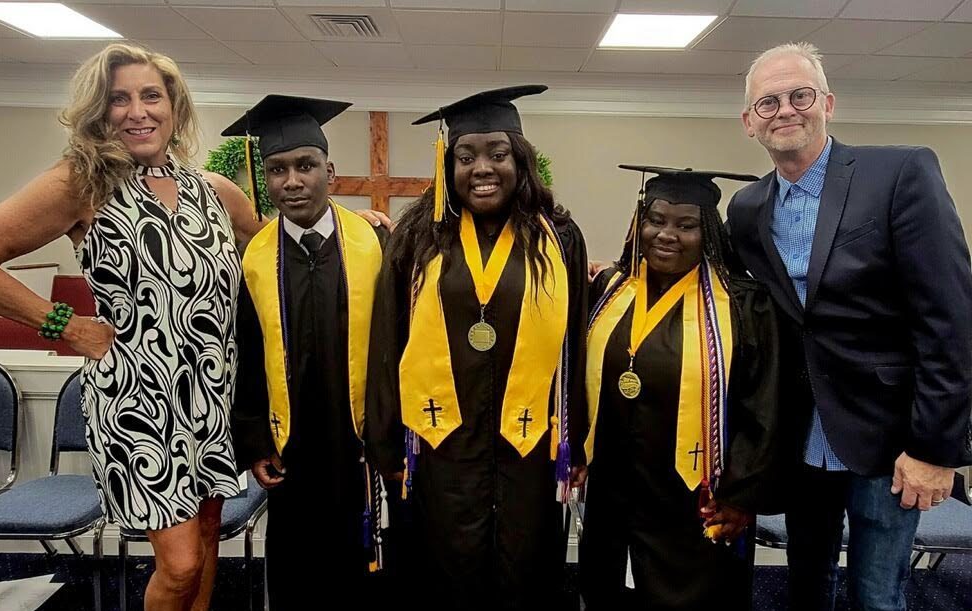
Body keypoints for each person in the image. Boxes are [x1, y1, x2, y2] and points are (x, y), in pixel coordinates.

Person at [0, 43, 266, 611]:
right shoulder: (81, 184)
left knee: (208, 541)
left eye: (151, 95)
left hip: (214, 395)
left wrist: (352, 225)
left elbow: (274, 252)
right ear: (100, 111)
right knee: (180, 562)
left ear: (175, 106)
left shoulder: (214, 192)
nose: (137, 111)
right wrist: (65, 325)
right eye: (119, 99)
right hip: (139, 402)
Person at [727, 41, 972, 611]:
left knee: (878, 595)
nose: (785, 109)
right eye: (768, 102)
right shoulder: (746, 209)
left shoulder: (900, 172)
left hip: (889, 441)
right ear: (749, 122)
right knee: (804, 586)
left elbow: (951, 319)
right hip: (799, 438)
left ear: (828, 103)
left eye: (799, 95)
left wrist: (934, 449)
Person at [365, 85, 588, 610]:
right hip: (441, 438)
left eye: (497, 154)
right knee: (446, 565)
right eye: (465, 157)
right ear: (448, 164)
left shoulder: (558, 238)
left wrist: (576, 435)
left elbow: (576, 340)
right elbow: (386, 340)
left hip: (529, 442)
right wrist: (385, 439)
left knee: (525, 566)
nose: (481, 168)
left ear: (521, 161)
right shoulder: (417, 237)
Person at [578, 166, 781, 610]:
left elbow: (762, 408)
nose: (666, 234)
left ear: (707, 232)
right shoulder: (610, 289)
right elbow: (580, 380)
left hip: (694, 500)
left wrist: (740, 497)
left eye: (685, 225)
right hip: (613, 492)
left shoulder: (743, 305)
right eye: (656, 220)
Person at [224, 94, 398, 609]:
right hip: (291, 443)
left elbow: (398, 346)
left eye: (305, 166)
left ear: (330, 171)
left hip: (359, 439)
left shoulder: (375, 244)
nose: (291, 181)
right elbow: (246, 355)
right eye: (277, 170)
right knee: (297, 567)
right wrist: (256, 442)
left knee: (363, 560)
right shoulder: (254, 259)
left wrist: (391, 432)